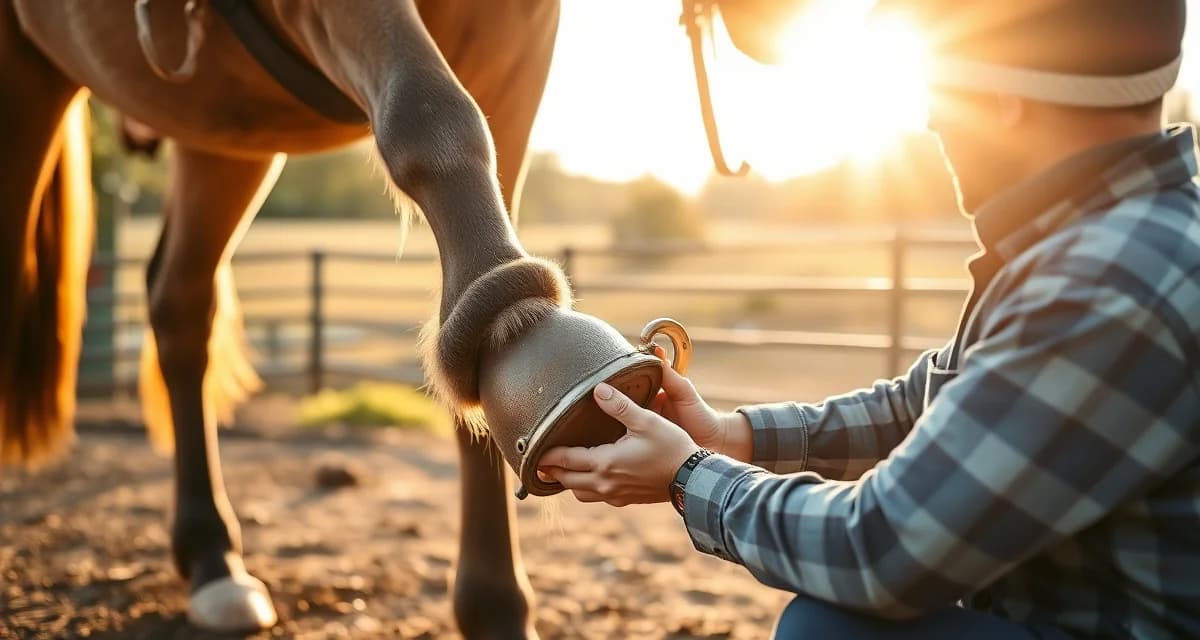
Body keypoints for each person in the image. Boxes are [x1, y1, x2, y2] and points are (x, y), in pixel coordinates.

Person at [538, 1, 1200, 637]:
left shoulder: (1105, 285)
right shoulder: (1108, 240)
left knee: (827, 630)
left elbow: (881, 552)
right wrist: (729, 435)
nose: (932, 122)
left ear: (1005, 94)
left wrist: (688, 479)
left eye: (938, 86)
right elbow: (924, 407)